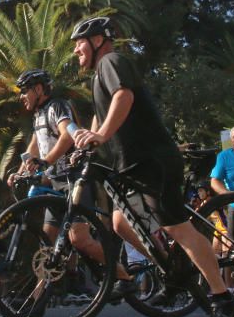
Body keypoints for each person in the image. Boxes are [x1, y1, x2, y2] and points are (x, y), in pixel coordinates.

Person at [69, 16, 234, 317]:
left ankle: (222, 297)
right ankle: (173, 269)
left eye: (80, 42)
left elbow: (124, 97)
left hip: (153, 161)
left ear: (97, 41)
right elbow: (100, 115)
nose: (76, 49)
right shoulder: (98, 76)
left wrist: (101, 135)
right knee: (121, 223)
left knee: (177, 227)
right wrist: (85, 142)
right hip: (131, 165)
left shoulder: (112, 61)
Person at [8, 68, 138, 299]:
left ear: (39, 89)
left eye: (25, 91)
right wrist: (20, 172)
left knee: (79, 239)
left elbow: (67, 134)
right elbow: (34, 148)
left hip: (73, 180)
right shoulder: (38, 115)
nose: (21, 96)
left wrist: (46, 162)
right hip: (55, 184)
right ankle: (36, 299)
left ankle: (124, 277)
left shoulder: (56, 106)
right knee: (47, 246)